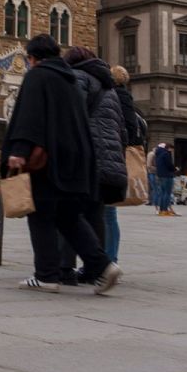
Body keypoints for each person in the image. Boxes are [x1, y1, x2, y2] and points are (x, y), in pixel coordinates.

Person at [1, 34, 122, 295]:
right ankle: (103, 266)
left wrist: (19, 149)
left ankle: (45, 276)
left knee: (41, 213)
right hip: (76, 161)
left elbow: (30, 115)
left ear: (33, 58)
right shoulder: (69, 78)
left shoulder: (38, 76)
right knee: (68, 217)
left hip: (47, 161)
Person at [59, 47, 127, 280]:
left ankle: (64, 268)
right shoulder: (110, 89)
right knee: (95, 213)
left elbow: (71, 115)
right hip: (108, 160)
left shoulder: (78, 78)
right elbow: (121, 130)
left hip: (85, 157)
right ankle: (94, 269)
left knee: (68, 211)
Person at [108, 64, 142, 263]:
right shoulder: (125, 96)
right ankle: (110, 259)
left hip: (113, 157)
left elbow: (127, 128)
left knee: (107, 212)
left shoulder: (113, 96)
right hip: (117, 157)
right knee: (108, 213)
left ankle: (109, 260)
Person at [153, 143, 178, 216]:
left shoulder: (158, 153)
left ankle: (161, 210)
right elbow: (169, 164)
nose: (172, 151)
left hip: (160, 175)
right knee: (167, 193)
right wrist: (174, 169)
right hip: (167, 175)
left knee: (163, 193)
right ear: (169, 148)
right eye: (172, 149)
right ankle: (165, 210)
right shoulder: (167, 153)